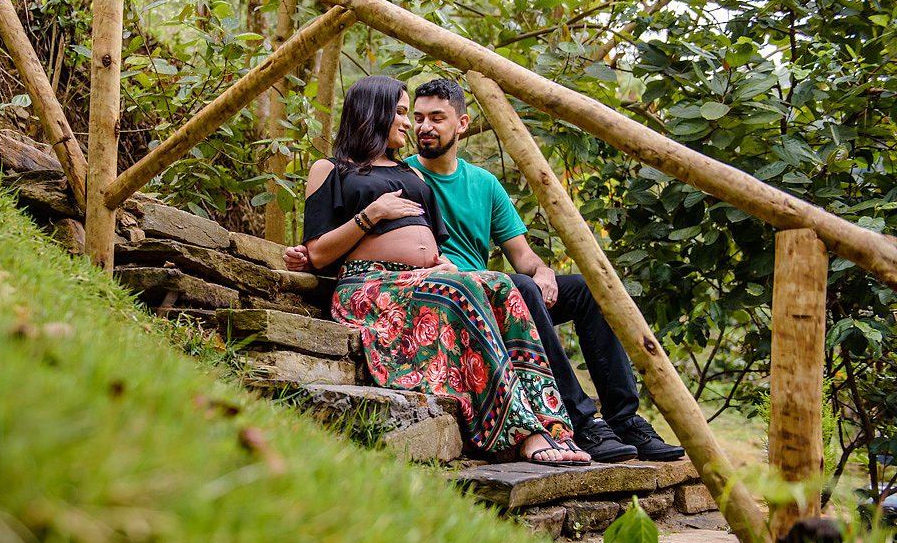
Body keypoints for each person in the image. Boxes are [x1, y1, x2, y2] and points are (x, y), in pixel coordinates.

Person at [287, 78, 684, 462]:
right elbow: (326, 243)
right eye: (410, 114)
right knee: (511, 290)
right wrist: (337, 239)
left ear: (461, 124)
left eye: (432, 117)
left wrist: (541, 271)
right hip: (408, 284)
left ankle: (621, 420)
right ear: (375, 113)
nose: (417, 125)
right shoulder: (358, 168)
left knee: (574, 289)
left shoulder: (453, 180)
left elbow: (505, 253)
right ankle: (563, 424)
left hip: (456, 279)